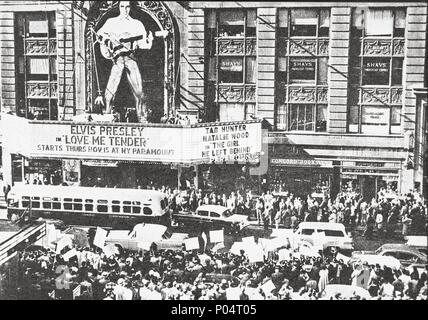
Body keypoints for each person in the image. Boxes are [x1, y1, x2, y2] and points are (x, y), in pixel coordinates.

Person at [96, 1, 154, 122]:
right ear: (119, 7)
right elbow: (99, 35)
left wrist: (150, 40)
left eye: (127, 6)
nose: (125, 9)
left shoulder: (137, 24)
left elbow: (143, 44)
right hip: (117, 59)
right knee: (109, 93)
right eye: (122, 6)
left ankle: (142, 119)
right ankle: (107, 117)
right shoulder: (111, 22)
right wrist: (107, 41)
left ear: (130, 8)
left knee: (139, 92)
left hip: (130, 58)